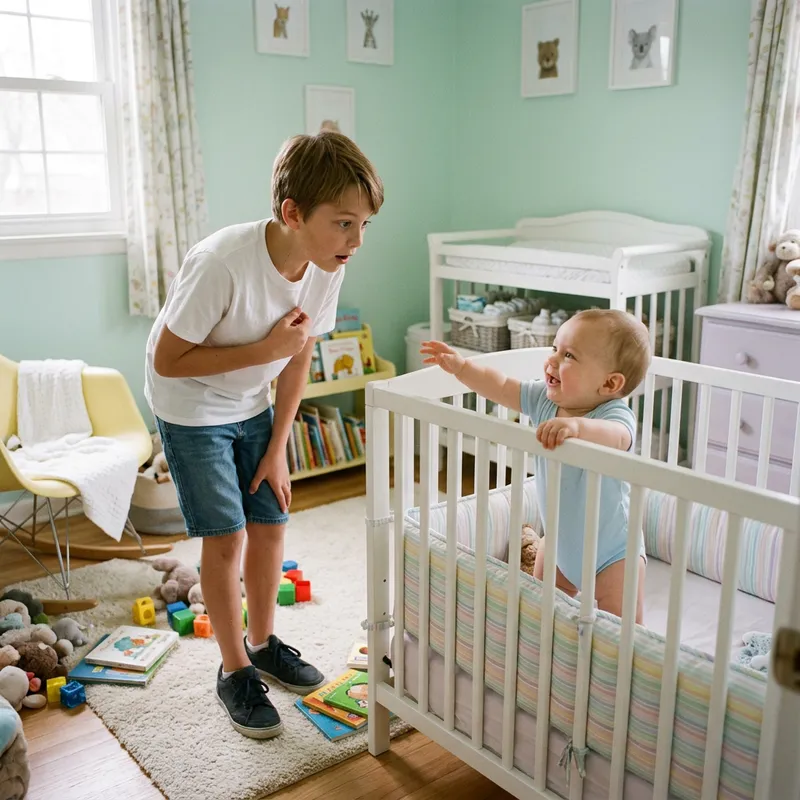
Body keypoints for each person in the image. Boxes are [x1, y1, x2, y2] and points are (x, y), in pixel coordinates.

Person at [145, 130, 384, 738]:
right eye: (345, 224)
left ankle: (263, 642)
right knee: (225, 537)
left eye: (364, 225)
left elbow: (299, 354)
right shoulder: (221, 263)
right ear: (293, 213)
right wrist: (264, 350)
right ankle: (234, 670)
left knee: (271, 519)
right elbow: (168, 360)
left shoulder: (326, 263)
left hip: (251, 398)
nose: (357, 241)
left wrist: (278, 449)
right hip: (191, 404)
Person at [420, 308, 651, 622]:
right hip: (559, 543)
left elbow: (619, 437)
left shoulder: (613, 414)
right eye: (555, 348)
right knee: (540, 614)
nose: (552, 360)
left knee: (621, 631)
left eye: (568, 355)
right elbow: (502, 385)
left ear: (610, 383)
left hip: (612, 553)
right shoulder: (545, 400)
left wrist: (577, 427)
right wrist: (462, 369)